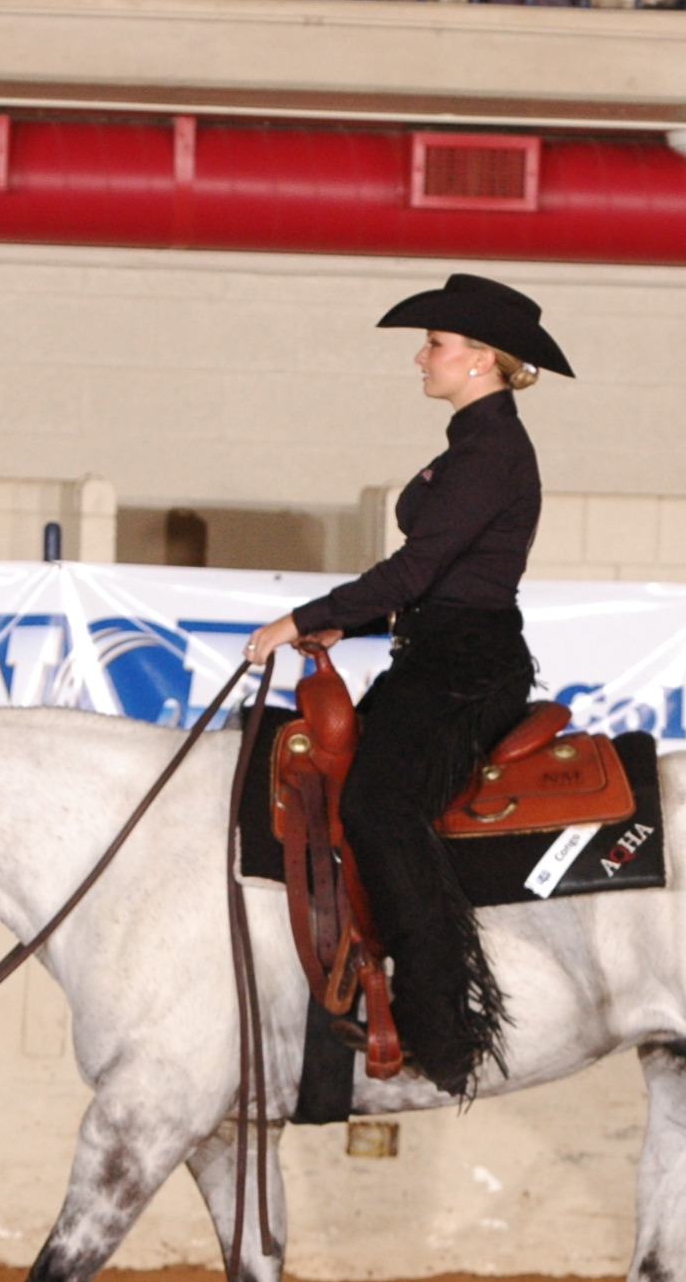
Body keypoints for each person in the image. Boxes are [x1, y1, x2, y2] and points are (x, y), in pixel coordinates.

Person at [243, 274, 574, 1097]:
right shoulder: (475, 444)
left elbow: (418, 568)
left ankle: (444, 1025)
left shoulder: (491, 449)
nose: (422, 358)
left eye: (435, 345)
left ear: (481, 362)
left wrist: (304, 616)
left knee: (379, 808)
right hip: (434, 656)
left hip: (465, 670)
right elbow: (434, 579)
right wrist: (345, 625)